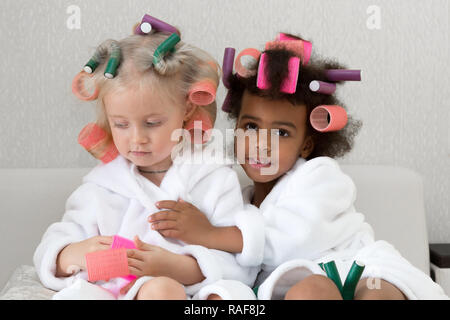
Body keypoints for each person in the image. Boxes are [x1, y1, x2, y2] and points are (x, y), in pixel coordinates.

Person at [149, 33, 448, 300]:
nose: (261, 144)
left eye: (281, 133)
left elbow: (290, 238)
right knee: (310, 291)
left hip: (357, 270)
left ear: (306, 144)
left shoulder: (319, 176)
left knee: (378, 293)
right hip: (299, 285)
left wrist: (208, 233)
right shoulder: (236, 202)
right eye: (251, 126)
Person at [33, 18, 258, 300]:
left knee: (193, 293)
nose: (136, 138)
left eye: (152, 123)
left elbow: (240, 260)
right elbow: (52, 248)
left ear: (186, 110)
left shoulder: (213, 178)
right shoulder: (102, 187)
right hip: (117, 291)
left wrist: (178, 267)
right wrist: (71, 254)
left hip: (188, 291)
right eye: (121, 125)